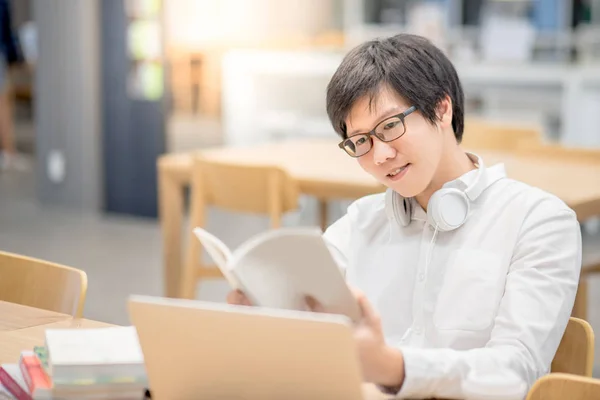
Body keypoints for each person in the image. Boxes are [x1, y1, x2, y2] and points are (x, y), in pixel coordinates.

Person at [228, 33, 581, 399]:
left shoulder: (538, 222)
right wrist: (268, 311)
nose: (379, 156)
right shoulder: (361, 221)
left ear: (442, 109)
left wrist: (392, 367)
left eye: (390, 126)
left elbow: (515, 373)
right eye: (361, 141)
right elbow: (309, 328)